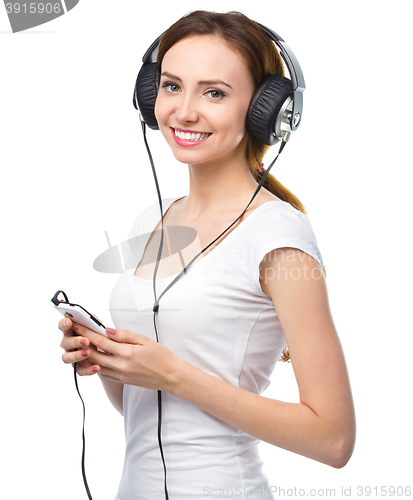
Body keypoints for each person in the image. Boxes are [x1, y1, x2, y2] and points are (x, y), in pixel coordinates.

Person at [58, 10, 356, 500]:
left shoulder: (279, 236)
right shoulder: (153, 218)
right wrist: (106, 359)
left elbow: (333, 439)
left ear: (265, 110)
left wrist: (173, 374)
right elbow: (147, 408)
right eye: (172, 86)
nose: (184, 111)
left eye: (214, 92)